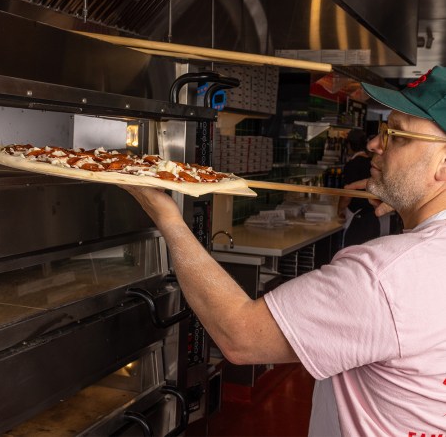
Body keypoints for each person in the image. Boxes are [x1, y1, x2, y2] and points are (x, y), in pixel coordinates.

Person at [122, 66, 446, 436]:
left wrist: (167, 215)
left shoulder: (386, 276)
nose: (375, 143)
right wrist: (411, 210)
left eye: (397, 135)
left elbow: (240, 336)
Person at [338, 129, 381, 246]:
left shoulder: (352, 165)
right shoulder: (372, 163)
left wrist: (340, 210)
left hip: (358, 222)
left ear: (349, 145)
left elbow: (348, 193)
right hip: (373, 220)